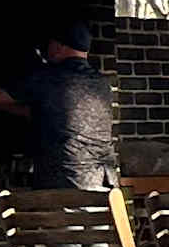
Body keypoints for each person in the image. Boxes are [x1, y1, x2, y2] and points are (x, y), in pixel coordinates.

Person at [16, 24, 117, 190]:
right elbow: (50, 113)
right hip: (103, 183)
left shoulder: (49, 78)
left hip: (65, 183)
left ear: (58, 46)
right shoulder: (102, 84)